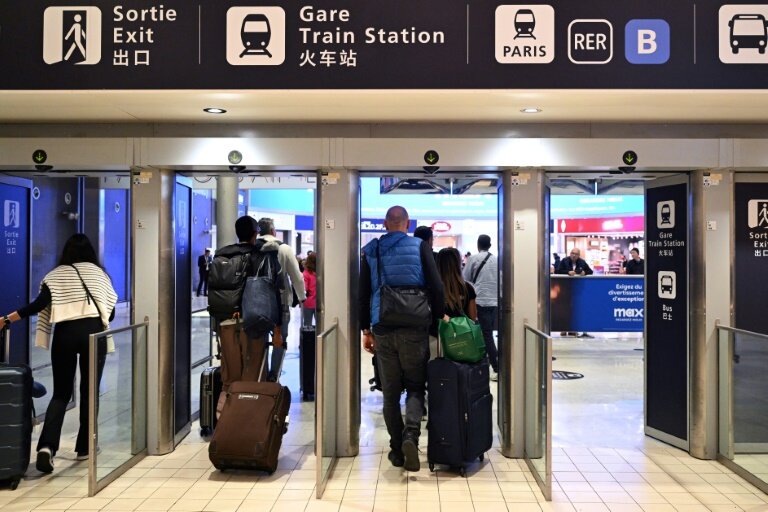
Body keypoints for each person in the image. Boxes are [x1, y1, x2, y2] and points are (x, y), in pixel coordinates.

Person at [0, 234, 117, 473]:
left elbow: (38, 305)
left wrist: (6, 319)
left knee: (61, 393)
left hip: (65, 334)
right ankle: (85, 447)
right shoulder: (100, 275)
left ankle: (46, 447)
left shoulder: (55, 275)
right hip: (94, 334)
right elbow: (111, 313)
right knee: (89, 391)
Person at [359, 206, 444, 472]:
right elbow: (437, 286)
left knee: (391, 393)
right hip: (415, 326)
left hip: (383, 326)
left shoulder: (371, 250)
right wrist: (437, 319)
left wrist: (366, 330)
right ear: (406, 224)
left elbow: (362, 293)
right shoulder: (420, 247)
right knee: (417, 386)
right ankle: (411, 435)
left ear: (385, 224)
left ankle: (397, 449)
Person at [256, 218, 306, 381]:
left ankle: (260, 374)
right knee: (280, 339)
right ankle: (274, 375)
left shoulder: (253, 248)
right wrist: (301, 297)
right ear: (273, 231)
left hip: (256, 303)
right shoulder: (284, 248)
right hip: (281, 302)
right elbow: (296, 276)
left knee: (258, 339)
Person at [463, 234, 500, 381]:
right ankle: (485, 365)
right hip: (494, 302)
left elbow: (465, 279)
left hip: (480, 301)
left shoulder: (474, 259)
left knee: (485, 335)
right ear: (490, 245)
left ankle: (496, 367)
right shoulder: (496, 260)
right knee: (487, 333)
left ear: (478, 245)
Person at [438, 248, 478, 320]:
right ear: (458, 264)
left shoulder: (434, 289)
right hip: (463, 330)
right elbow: (473, 317)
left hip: (439, 330)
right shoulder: (468, 288)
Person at [302, 252, 317, 327]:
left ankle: (309, 339)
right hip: (319, 302)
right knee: (321, 325)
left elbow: (305, 288)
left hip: (308, 302)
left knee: (307, 325)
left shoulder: (306, 274)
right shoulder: (320, 273)